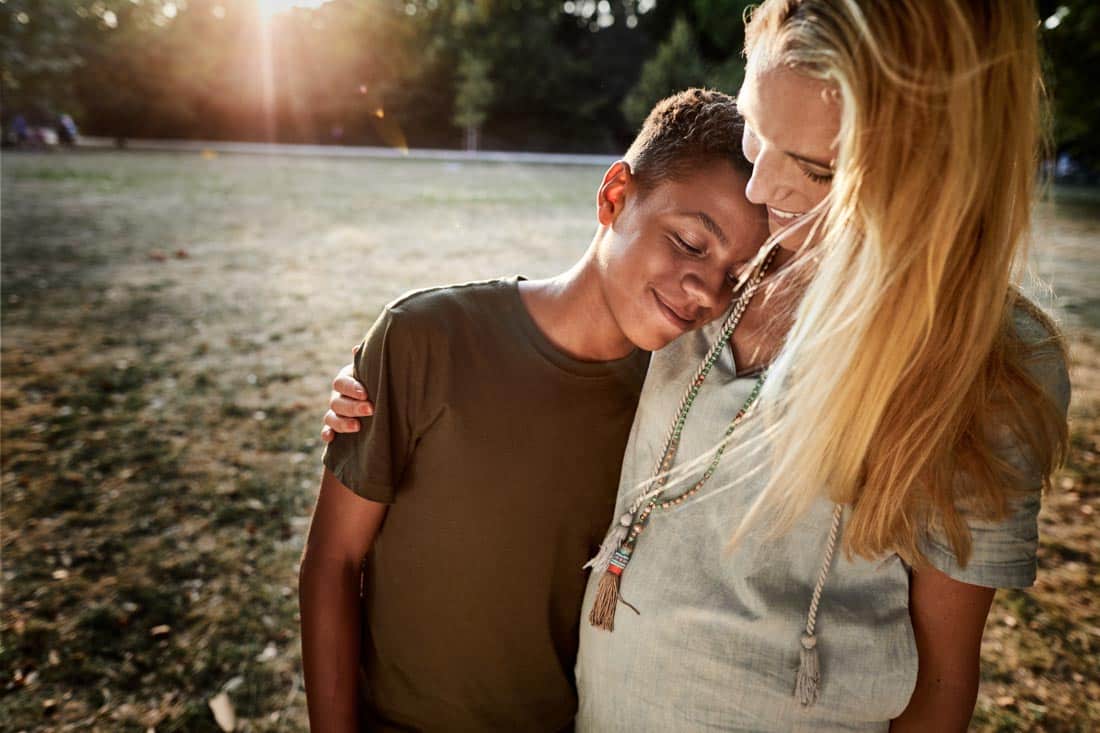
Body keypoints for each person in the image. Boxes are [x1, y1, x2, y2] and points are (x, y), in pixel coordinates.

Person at [325, 2, 1071, 729]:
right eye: (755, 136)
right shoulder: (724, 271)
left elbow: (943, 680)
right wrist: (402, 369)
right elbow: (561, 339)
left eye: (813, 171)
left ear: (933, 172)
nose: (760, 190)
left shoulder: (989, 364)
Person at [299, 89, 770, 732]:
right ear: (614, 197)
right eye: (690, 242)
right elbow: (332, 563)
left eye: (735, 276)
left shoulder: (679, 401)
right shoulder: (426, 338)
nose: (706, 291)